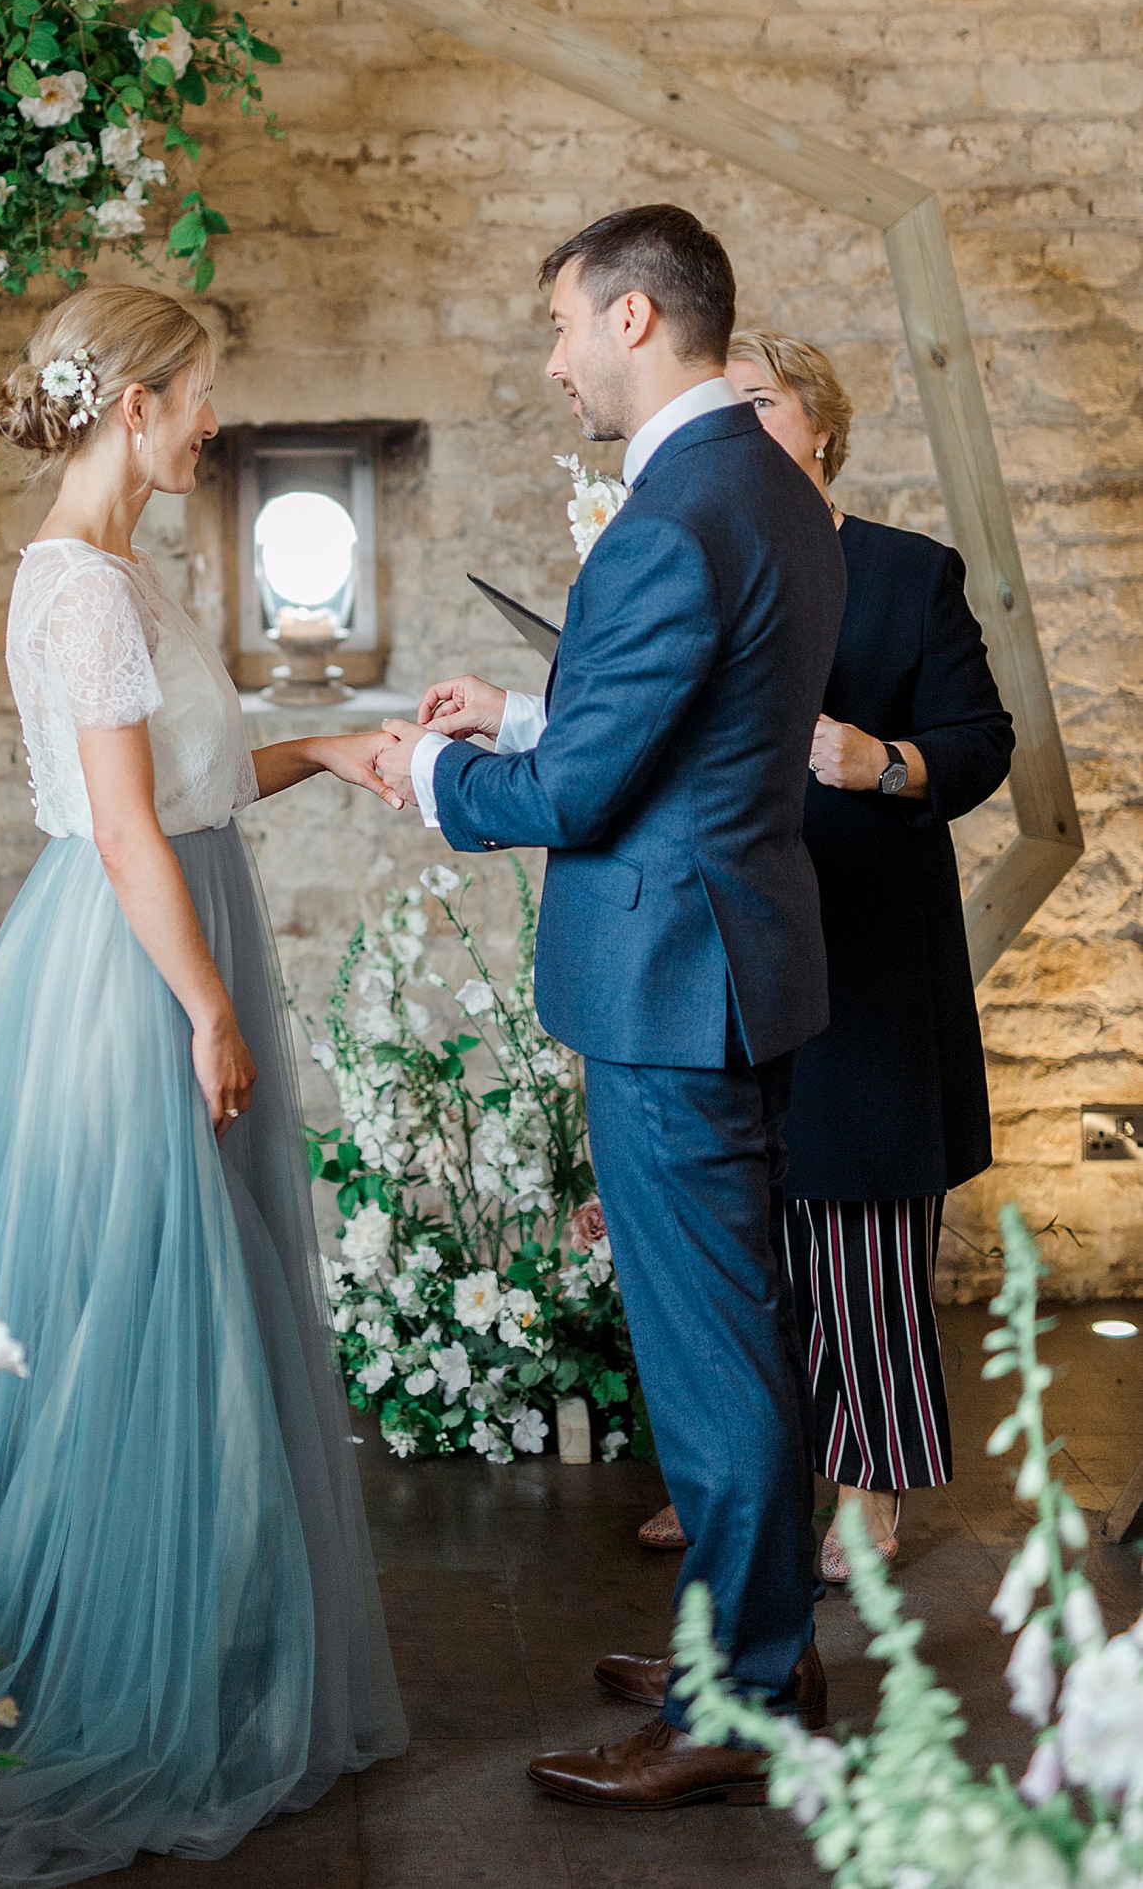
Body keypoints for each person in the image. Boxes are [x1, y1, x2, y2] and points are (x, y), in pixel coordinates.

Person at [0, 285, 406, 1885]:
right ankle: (96, 1650)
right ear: (134, 402)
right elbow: (125, 831)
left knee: (182, 1287)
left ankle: (191, 1628)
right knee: (126, 1290)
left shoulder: (126, 569)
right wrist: (202, 1005)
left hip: (173, 919)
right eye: (199, 398)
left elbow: (188, 780)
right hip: (130, 963)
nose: (211, 425)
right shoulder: (78, 588)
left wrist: (328, 744)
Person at [375, 204, 847, 1812]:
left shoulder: (670, 515)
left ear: (638, 317)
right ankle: (767, 1640)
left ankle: (741, 1692)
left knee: (711, 1359)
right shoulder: (769, 488)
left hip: (672, 985)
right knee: (743, 1337)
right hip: (741, 954)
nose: (556, 356)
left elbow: (586, 785)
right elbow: (687, 718)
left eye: (566, 323)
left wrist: (436, 773)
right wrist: (516, 705)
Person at [725, 329, 1013, 1580]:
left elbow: (981, 739)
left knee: (861, 1240)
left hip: (868, 953)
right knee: (739, 1232)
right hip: (730, 945)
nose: (739, 425)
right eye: (720, 406)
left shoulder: (904, 575)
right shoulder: (702, 563)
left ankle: (871, 1495)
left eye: (762, 402)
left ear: (821, 430)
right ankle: (744, 1483)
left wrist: (883, 762)